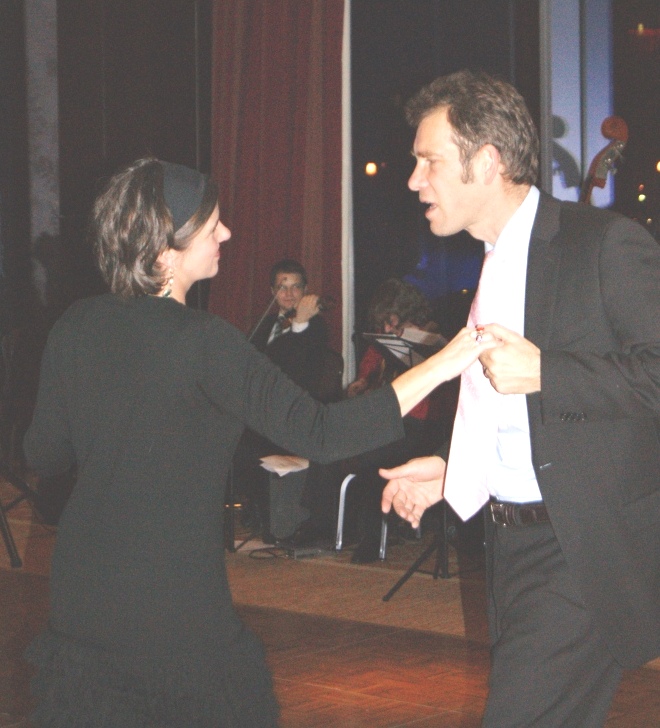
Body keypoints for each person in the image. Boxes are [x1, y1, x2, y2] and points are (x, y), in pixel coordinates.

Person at [22, 157, 495, 728]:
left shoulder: (76, 325)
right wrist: (444, 363)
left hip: (81, 591)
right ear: (165, 251)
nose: (226, 233)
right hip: (171, 600)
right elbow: (323, 432)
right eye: (211, 225)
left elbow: (43, 454)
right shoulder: (206, 342)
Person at [380, 69, 660, 727]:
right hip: (508, 547)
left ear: (487, 161)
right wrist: (453, 470)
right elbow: (515, 418)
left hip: (580, 548)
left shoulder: (602, 243)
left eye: (429, 161)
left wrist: (548, 372)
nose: (415, 180)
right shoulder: (492, 260)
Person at [346, 278, 455, 563]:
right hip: (391, 424)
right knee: (351, 449)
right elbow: (367, 375)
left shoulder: (431, 341)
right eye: (383, 322)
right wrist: (361, 384)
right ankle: (340, 529)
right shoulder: (383, 345)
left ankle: (374, 539)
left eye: (392, 321)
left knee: (376, 459)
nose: (386, 328)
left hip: (425, 426)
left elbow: (445, 393)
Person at [233, 258, 342, 544]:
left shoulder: (316, 328)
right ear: (272, 292)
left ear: (306, 291)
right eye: (282, 287)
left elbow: (291, 371)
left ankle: (276, 519)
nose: (289, 294)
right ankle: (257, 511)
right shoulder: (266, 324)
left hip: (293, 416)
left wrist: (300, 324)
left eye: (296, 287)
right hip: (261, 413)